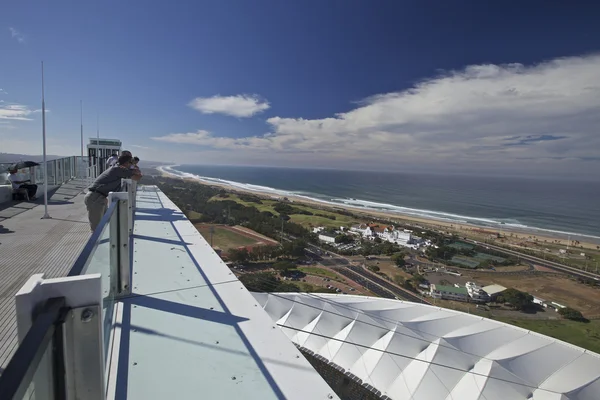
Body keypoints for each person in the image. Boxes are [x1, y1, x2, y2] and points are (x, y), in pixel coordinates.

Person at [85, 154, 142, 232]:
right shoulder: (118, 169)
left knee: (103, 225)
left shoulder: (117, 168)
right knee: (97, 229)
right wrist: (136, 170)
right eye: (131, 163)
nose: (132, 165)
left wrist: (133, 170)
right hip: (95, 198)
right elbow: (138, 177)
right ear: (126, 163)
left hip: (99, 197)